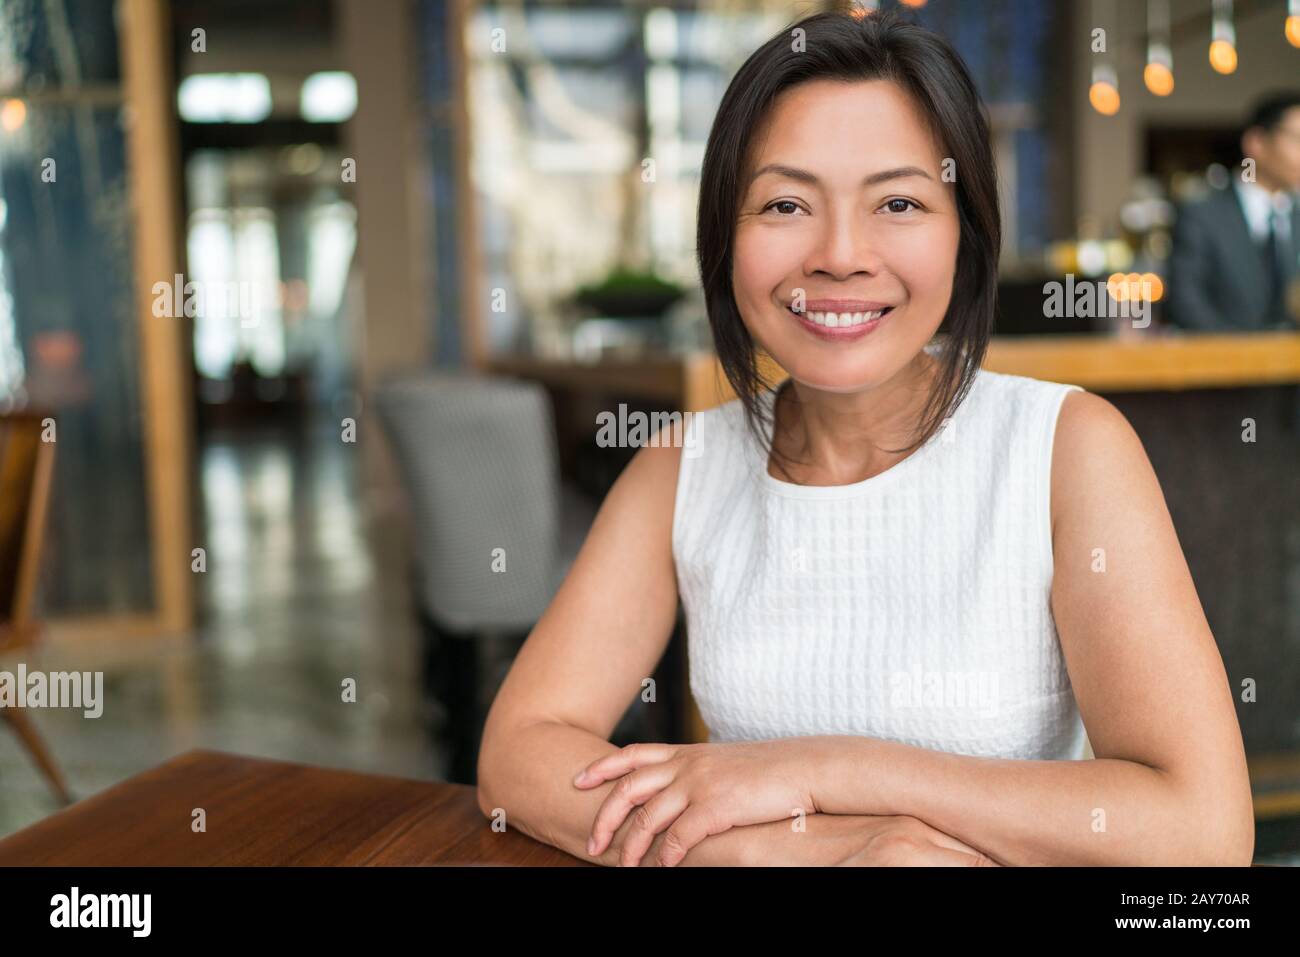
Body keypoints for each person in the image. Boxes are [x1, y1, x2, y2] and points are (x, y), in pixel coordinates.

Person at [476, 9, 1255, 867]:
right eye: (784, 203)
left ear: (966, 232)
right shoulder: (684, 464)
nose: (840, 255)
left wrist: (823, 771)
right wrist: (791, 850)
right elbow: (519, 754)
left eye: (898, 201)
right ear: (722, 240)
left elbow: (1200, 830)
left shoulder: (1065, 448)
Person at [1167, 92, 1300, 331]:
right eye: (1297, 139)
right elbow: (1185, 302)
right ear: (1256, 143)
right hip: (1226, 360)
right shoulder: (1203, 214)